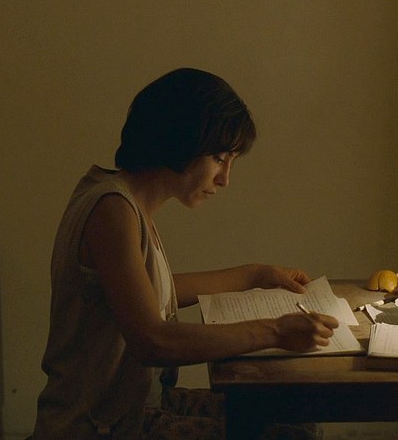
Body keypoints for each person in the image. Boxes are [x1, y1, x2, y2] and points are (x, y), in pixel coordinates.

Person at [32, 68, 339, 439]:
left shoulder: (122, 199)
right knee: (291, 435)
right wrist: (275, 331)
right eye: (219, 158)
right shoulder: (112, 211)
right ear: (181, 142)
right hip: (102, 427)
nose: (225, 179)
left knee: (296, 419)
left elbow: (146, 295)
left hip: (135, 409)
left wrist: (255, 275)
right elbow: (153, 340)